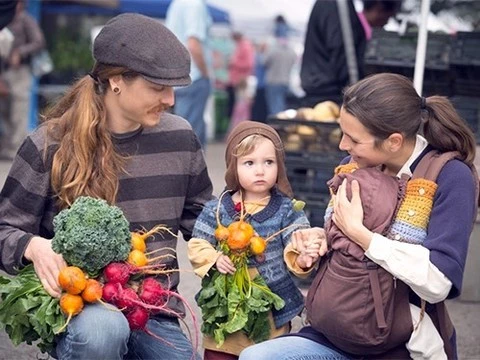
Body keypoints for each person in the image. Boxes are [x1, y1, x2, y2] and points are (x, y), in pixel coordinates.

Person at [0, 13, 213, 360]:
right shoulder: (47, 144)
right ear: (116, 81)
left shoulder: (180, 137)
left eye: (174, 88)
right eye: (158, 87)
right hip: (84, 309)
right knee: (103, 333)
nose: (171, 100)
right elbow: (4, 228)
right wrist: (33, 246)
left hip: (151, 310)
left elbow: (201, 217)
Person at [239, 73, 478, 359]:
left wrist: (362, 236)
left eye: (353, 139)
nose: (342, 145)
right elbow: (336, 238)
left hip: (400, 343)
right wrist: (314, 242)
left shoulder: (452, 177)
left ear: (393, 141)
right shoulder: (351, 166)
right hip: (336, 328)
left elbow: (439, 283)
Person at [187, 121, 323, 360]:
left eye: (268, 162)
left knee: (266, 351)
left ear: (279, 166)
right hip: (227, 308)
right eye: (249, 163)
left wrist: (302, 256)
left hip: (270, 312)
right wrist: (214, 257)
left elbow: (296, 238)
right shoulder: (218, 210)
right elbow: (198, 243)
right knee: (221, 352)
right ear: (233, 167)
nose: (260, 171)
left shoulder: (286, 210)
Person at [300, 0, 400, 107]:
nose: (385, 23)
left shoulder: (337, 7)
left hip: (324, 93)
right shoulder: (339, 8)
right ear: (379, 7)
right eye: (387, 17)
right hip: (332, 97)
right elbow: (345, 59)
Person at [0, 0, 46, 160]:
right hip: (3, 70)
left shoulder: (26, 19)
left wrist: (20, 52)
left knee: (19, 109)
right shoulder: (4, 18)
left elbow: (39, 42)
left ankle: (15, 148)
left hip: (20, 71)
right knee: (4, 109)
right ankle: (6, 146)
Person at [166, 0, 212, 148]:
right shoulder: (195, 5)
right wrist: (206, 72)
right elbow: (193, 44)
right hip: (195, 76)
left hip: (179, 75)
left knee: (181, 126)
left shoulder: (176, 4)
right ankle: (190, 170)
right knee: (192, 134)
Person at [263, 27, 297, 116]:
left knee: (274, 107)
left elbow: (264, 62)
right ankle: (281, 125)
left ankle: (275, 127)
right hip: (286, 81)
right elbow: (294, 62)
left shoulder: (273, 50)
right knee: (282, 106)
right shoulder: (291, 51)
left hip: (273, 81)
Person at [226, 32, 254, 121]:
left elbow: (249, 64)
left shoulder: (245, 46)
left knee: (241, 107)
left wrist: (233, 63)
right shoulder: (241, 46)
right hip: (237, 81)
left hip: (241, 82)